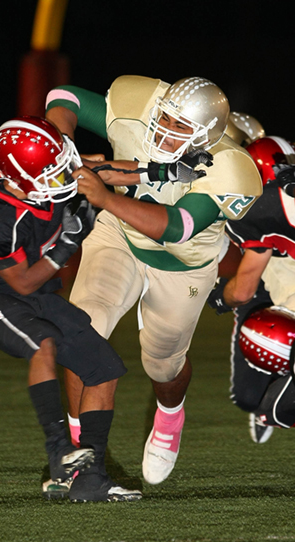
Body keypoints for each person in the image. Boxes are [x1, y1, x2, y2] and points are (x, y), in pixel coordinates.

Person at [44, 74, 262, 489]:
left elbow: (176, 227)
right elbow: (63, 97)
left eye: (181, 127)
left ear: (207, 136)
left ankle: (170, 413)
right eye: (164, 117)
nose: (164, 128)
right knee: (79, 332)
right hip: (117, 237)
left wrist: (105, 195)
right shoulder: (138, 101)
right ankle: (77, 451)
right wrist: (63, 145)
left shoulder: (233, 169)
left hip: (182, 264)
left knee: (163, 364)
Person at [0, 116, 143, 503]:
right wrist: (68, 243)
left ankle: (90, 481)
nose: (63, 178)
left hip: (35, 296)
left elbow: (98, 167)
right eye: (52, 172)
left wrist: (168, 172)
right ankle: (59, 454)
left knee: (104, 368)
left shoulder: (38, 173)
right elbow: (23, 281)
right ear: (21, 179)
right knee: (45, 342)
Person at [207, 135, 295, 443]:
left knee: (264, 402)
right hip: (268, 286)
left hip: (275, 296)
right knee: (250, 397)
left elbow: (240, 292)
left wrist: (218, 297)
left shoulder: (259, 208)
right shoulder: (267, 207)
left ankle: (274, 404)